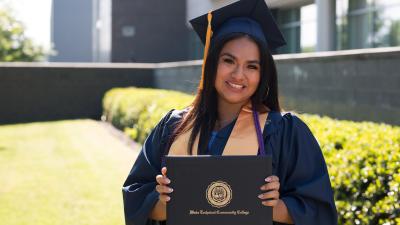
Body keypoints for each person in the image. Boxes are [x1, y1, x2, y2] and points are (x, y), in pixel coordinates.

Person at [122, 0, 338, 224]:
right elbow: (136, 200)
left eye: (252, 66)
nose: (238, 74)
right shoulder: (174, 126)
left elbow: (319, 212)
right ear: (212, 62)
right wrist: (163, 203)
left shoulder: (285, 132)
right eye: (229, 61)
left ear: (263, 74)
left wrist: (275, 206)